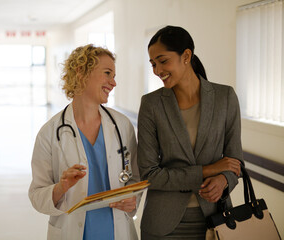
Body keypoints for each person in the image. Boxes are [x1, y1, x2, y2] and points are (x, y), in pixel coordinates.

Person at [137, 25, 243, 239]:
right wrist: (208, 170)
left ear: (186, 56)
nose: (157, 70)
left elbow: (234, 162)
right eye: (153, 64)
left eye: (163, 61)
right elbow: (149, 175)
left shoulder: (225, 97)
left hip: (216, 219)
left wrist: (223, 180)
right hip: (162, 224)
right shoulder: (151, 104)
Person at [29, 44, 140, 240]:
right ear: (81, 72)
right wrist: (60, 187)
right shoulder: (49, 133)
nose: (113, 83)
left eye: (114, 76)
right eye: (107, 73)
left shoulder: (122, 126)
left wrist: (133, 200)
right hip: (71, 232)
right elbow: (37, 196)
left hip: (117, 232)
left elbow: (134, 180)